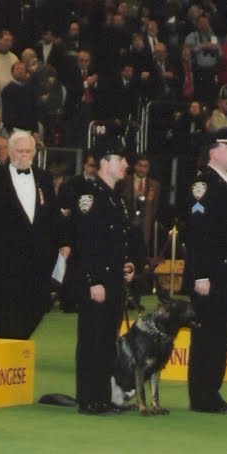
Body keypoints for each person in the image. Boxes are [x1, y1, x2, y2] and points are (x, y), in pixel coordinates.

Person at [183, 131, 227, 414]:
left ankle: (212, 390)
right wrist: (200, 274)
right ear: (214, 153)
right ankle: (201, 394)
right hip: (210, 276)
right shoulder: (203, 184)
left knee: (221, 335)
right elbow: (197, 233)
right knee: (207, 335)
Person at [71, 137, 135, 415]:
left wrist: (127, 264)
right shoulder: (89, 195)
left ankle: (105, 395)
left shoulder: (114, 197)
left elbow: (116, 241)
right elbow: (84, 242)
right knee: (92, 339)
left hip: (113, 280)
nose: (126, 165)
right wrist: (92, 280)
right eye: (121, 160)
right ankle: (89, 398)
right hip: (97, 280)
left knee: (108, 340)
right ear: (106, 162)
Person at [0, 130, 63, 340]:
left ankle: (17, 345)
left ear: (34, 153)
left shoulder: (44, 178)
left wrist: (62, 243)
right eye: (19, 151)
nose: (24, 155)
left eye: (28, 151)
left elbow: (53, 216)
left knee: (36, 310)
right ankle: (5, 359)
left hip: (38, 260)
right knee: (6, 317)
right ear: (9, 152)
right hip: (5, 261)